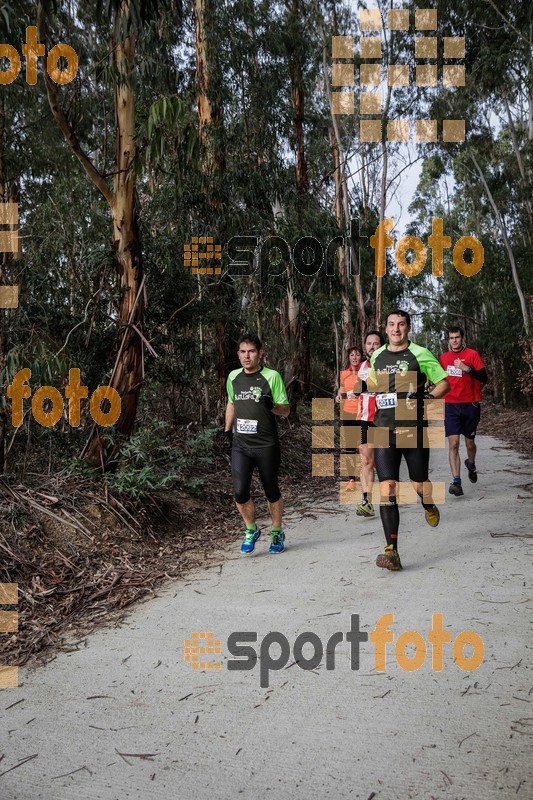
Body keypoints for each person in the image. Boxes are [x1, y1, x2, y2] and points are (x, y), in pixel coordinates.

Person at [367, 310, 450, 571]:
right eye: (391, 325)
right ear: (386, 328)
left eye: (401, 324)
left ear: (408, 328)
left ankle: (428, 503)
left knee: (419, 483)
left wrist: (427, 398)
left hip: (413, 430)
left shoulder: (421, 353)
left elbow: (443, 383)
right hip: (383, 430)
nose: (395, 329)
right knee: (387, 488)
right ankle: (392, 551)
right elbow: (372, 386)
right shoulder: (377, 356)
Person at [224, 334, 290, 554]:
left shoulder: (272, 377)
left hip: (266, 444)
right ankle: (251, 529)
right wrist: (227, 431)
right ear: (238, 354)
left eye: (251, 351)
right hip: (241, 444)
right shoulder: (233, 377)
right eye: (242, 352)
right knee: (240, 492)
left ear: (260, 353)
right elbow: (231, 403)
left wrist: (271, 405)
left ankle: (277, 532)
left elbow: (285, 410)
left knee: (271, 490)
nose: (247, 356)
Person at [439, 327, 487, 496]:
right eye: (451, 338)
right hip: (451, 405)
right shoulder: (443, 358)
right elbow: (439, 379)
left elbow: (484, 378)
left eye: (457, 337)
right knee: (453, 444)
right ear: (448, 340)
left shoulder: (472, 355)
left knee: (469, 443)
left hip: (470, 405)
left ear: (462, 338)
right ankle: (456, 481)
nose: (454, 340)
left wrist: (467, 369)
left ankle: (471, 464)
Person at [355, 330, 384, 517]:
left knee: (383, 462)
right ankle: (367, 500)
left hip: (384, 418)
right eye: (369, 343)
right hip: (365, 418)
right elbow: (359, 390)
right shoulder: (362, 366)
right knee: (366, 460)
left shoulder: (387, 364)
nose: (372, 346)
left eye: (375, 343)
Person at [335, 344, 363, 491]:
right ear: (349, 357)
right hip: (348, 412)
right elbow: (342, 390)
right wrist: (339, 396)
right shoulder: (344, 373)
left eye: (357, 355)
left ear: (361, 356)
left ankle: (365, 475)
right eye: (352, 355)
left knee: (363, 447)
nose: (354, 357)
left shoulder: (365, 372)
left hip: (363, 413)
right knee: (350, 448)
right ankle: (351, 480)